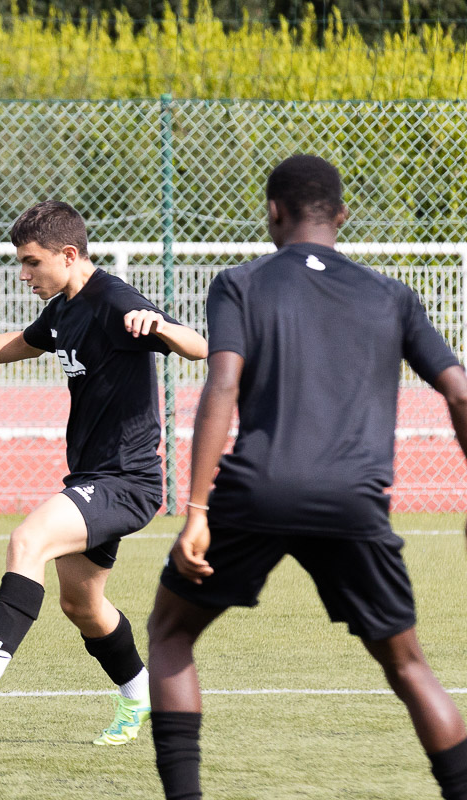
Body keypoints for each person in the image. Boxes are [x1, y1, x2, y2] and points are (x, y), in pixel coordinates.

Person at [147, 155, 467, 799]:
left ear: (273, 211)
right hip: (353, 501)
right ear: (341, 215)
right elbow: (459, 392)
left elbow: (223, 384)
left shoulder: (239, 284)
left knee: (171, 632)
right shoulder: (393, 296)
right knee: (408, 664)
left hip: (256, 491)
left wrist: (197, 511)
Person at [0, 201, 207, 744]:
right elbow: (24, 342)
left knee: (28, 539)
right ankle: (141, 695)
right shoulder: (65, 306)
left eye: (31, 262)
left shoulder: (114, 300)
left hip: (127, 481)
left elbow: (199, 348)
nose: (24, 275)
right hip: (93, 477)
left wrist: (159, 324)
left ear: (68, 254)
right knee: (81, 604)